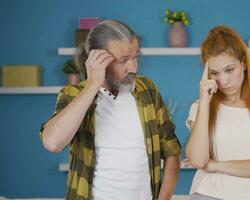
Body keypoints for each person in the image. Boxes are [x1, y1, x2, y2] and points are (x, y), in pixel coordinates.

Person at [39, 19, 181, 200]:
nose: (134, 68)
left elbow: (172, 152)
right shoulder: (74, 94)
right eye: (124, 60)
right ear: (98, 60)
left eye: (135, 56)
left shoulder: (147, 89)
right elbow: (53, 143)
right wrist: (92, 85)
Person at [185, 25, 250, 200]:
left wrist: (217, 166)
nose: (224, 81)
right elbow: (198, 160)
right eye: (214, 73)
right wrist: (204, 101)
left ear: (243, 64)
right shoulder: (201, 106)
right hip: (206, 195)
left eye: (229, 70)